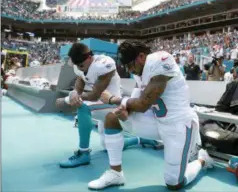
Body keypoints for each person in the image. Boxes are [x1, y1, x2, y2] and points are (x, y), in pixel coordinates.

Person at [88, 41, 214, 190]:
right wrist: (125, 111)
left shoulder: (161, 60)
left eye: (130, 65)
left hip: (178, 125)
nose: (130, 70)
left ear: (141, 56)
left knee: (174, 183)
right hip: (155, 121)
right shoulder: (140, 71)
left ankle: (202, 160)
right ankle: (116, 173)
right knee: (112, 118)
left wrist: (113, 99)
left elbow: (143, 104)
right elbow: (135, 100)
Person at [56, 43, 158, 168]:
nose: (79, 67)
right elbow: (81, 78)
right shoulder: (80, 66)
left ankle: (83, 154)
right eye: (77, 65)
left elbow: (94, 95)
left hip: (112, 103)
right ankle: (140, 139)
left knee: (83, 107)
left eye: (81, 65)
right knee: (106, 145)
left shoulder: (104, 64)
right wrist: (75, 92)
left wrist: (68, 99)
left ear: (89, 58)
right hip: (100, 105)